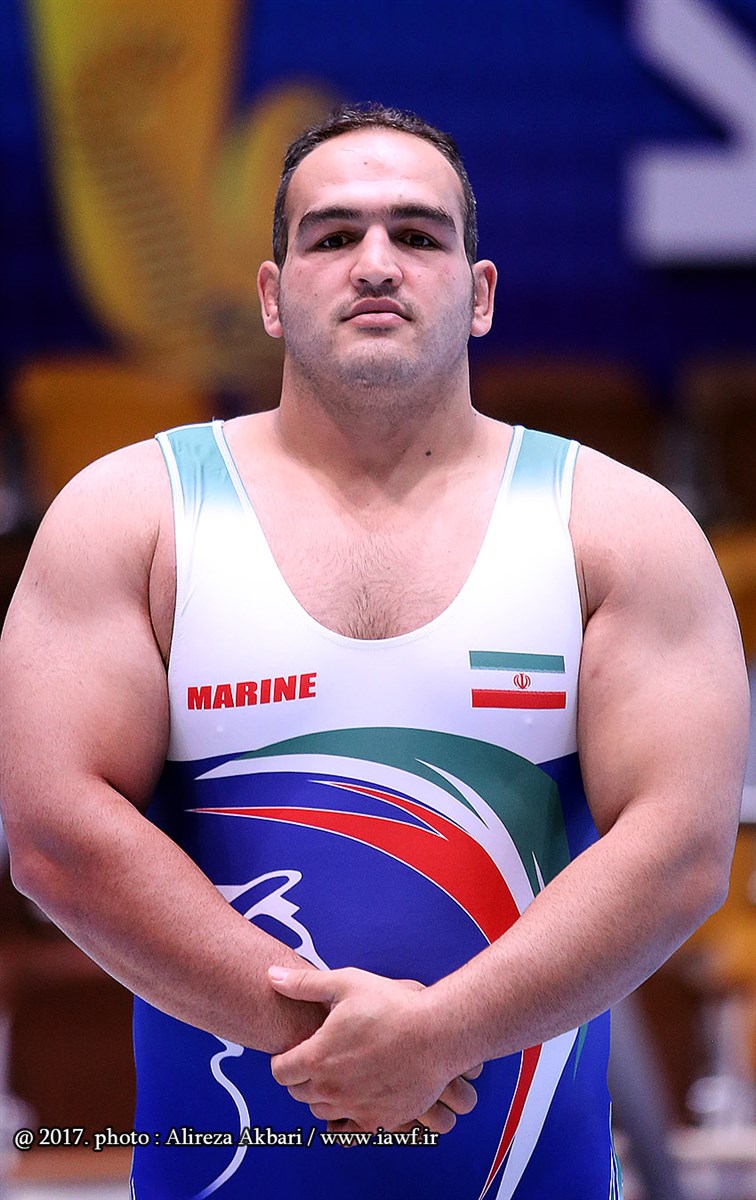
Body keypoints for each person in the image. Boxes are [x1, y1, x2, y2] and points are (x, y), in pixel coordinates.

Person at [0, 103, 748, 1199]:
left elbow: (681, 851)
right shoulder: (133, 518)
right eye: (335, 235)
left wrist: (440, 1034)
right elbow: (55, 836)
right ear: (271, 294)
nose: (377, 263)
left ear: (480, 293)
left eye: (419, 233)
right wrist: (356, 1046)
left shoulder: (617, 529)